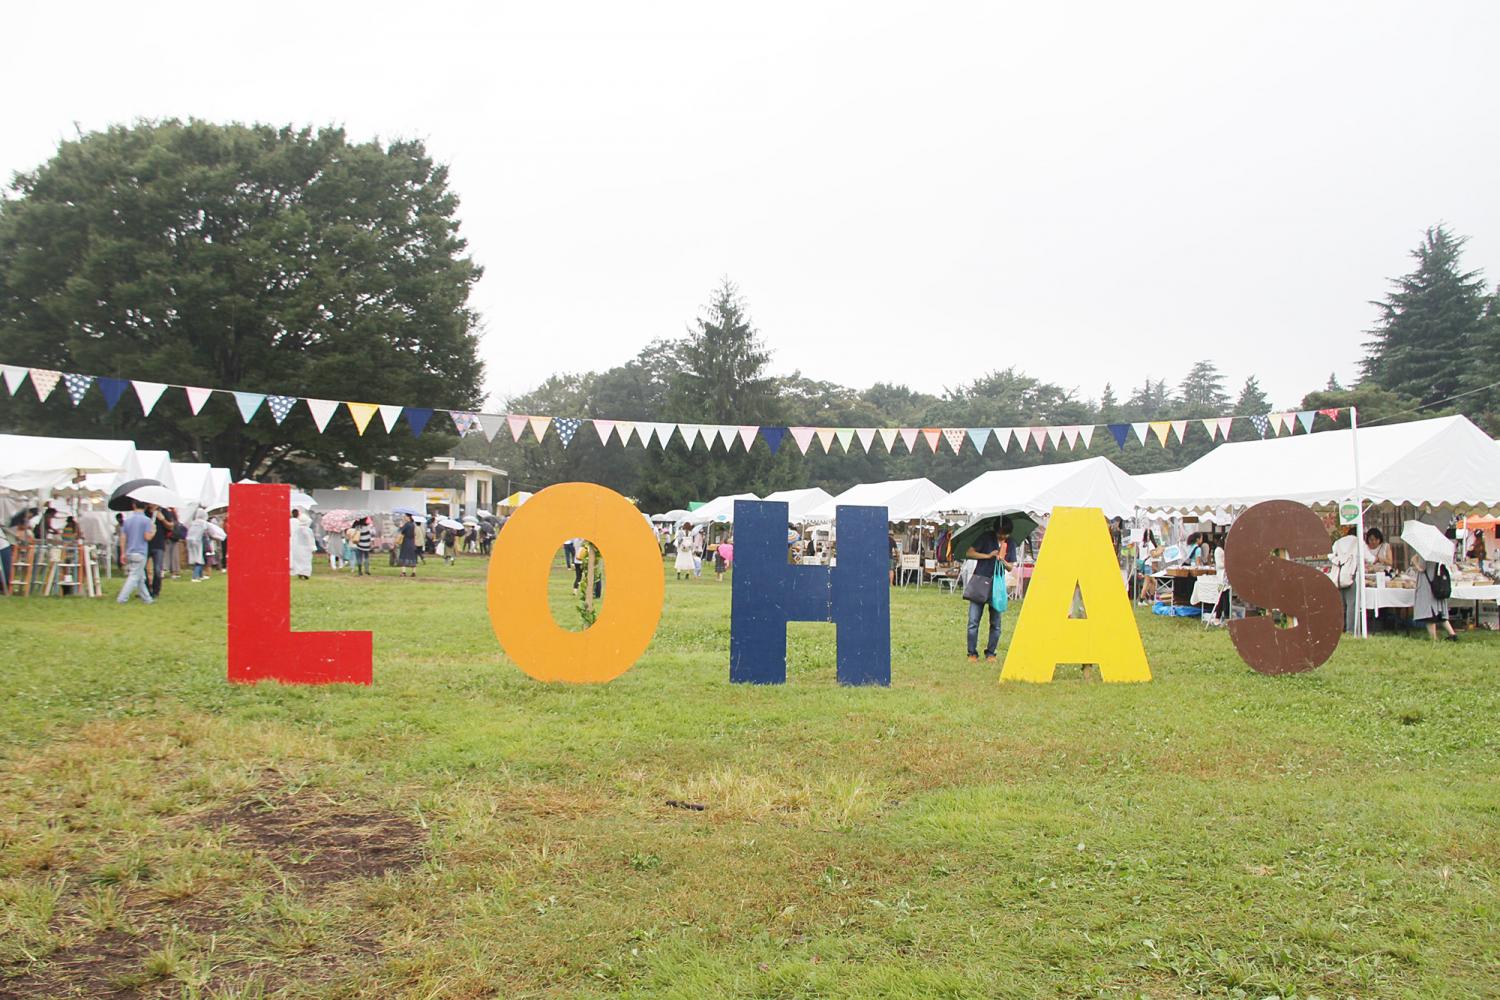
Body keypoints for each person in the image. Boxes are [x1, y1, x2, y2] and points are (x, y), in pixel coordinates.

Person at [964, 518, 1014, 662]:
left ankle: (991, 653)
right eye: (1000, 534)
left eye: (1006, 535)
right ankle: (972, 653)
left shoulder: (1010, 544)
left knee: (996, 623)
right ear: (996, 530)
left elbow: (1011, 567)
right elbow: (969, 553)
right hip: (980, 581)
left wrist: (1002, 561)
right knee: (973, 621)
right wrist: (988, 556)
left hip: (997, 586)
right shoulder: (986, 537)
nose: (1003, 537)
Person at [117, 500, 157, 604]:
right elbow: (147, 537)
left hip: (130, 551)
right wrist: (153, 532)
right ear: (145, 507)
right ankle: (122, 598)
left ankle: (147, 599)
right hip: (141, 551)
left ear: (133, 505)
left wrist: (122, 553)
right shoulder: (146, 521)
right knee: (134, 576)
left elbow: (123, 537)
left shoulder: (127, 521)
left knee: (140, 577)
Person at [1411, 552, 1458, 642]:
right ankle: (1452, 634)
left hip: (1427, 585)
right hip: (1436, 583)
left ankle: (1434, 638)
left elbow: (1422, 568)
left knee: (1429, 614)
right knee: (1440, 613)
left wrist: (1414, 562)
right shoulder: (1438, 553)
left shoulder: (1425, 553)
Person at [1329, 525, 1360, 634]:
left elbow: (1330, 555)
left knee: (1341, 604)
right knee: (1351, 604)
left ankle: (1340, 628)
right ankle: (1350, 630)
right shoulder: (1358, 542)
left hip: (1339, 576)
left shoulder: (1338, 542)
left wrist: (1338, 560)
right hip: (1351, 576)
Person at [290, 509, 315, 579]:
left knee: (299, 561)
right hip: (306, 548)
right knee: (306, 561)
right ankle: (306, 573)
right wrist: (313, 547)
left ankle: (300, 572)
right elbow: (311, 540)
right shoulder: (308, 530)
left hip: (298, 547)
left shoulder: (297, 529)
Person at [397, 513, 418, 578]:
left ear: (408, 517)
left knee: (403, 556)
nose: (404, 517)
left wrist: (401, 527)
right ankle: (413, 572)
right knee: (412, 557)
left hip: (406, 542)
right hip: (412, 542)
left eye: (405, 516)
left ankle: (403, 572)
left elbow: (402, 532)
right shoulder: (413, 525)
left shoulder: (406, 524)